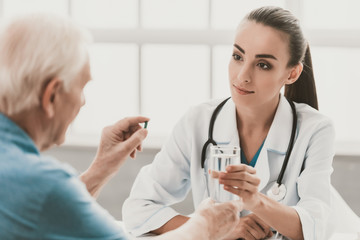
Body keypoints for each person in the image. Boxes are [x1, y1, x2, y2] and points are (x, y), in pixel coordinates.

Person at [0, 14, 243, 240]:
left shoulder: (20, 178)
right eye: (82, 87)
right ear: (51, 96)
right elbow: (47, 198)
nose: (83, 102)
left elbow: (42, 211)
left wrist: (101, 168)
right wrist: (205, 226)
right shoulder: (42, 185)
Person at [123, 6, 337, 240]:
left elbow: (318, 227)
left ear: (292, 74)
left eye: (263, 64)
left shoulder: (315, 129)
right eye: (238, 56)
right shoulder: (198, 121)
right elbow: (138, 208)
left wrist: (256, 201)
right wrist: (209, 228)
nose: (242, 76)